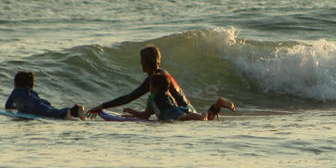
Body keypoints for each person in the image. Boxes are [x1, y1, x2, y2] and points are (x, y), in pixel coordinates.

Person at [86, 45, 234, 120]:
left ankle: (215, 106)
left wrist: (103, 106)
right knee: (206, 119)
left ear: (146, 61)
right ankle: (216, 105)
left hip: (176, 112)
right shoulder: (163, 73)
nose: (140, 62)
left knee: (199, 120)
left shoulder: (154, 79)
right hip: (186, 107)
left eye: (141, 60)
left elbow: (130, 97)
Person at [121, 73, 233, 122]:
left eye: (150, 85)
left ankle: (201, 116)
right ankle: (216, 106)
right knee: (190, 116)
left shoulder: (152, 98)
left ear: (155, 87)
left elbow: (145, 115)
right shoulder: (168, 95)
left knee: (184, 118)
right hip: (179, 109)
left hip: (170, 114)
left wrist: (132, 112)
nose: (148, 87)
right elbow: (174, 105)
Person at [6, 71, 86, 119]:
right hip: (39, 102)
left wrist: (17, 107)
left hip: (32, 106)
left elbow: (8, 106)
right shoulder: (32, 92)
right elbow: (36, 99)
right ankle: (75, 111)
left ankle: (68, 111)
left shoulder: (15, 91)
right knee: (52, 110)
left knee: (52, 113)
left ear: (16, 83)